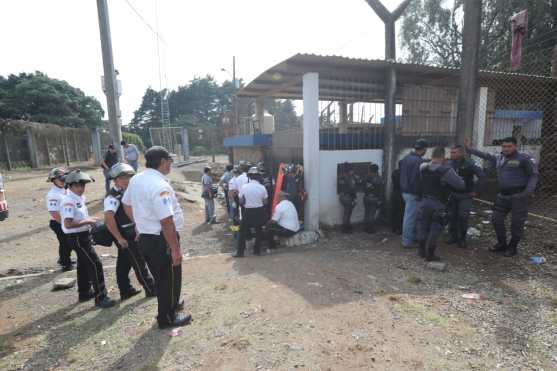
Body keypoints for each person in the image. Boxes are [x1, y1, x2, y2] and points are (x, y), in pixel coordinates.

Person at [122, 146, 192, 328]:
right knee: (166, 278)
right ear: (163, 162)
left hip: (147, 236)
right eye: (169, 161)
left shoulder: (137, 178)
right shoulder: (159, 185)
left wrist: (139, 223)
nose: (170, 165)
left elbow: (126, 204)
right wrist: (175, 249)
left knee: (169, 275)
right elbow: (166, 221)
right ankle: (166, 318)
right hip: (161, 239)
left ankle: (173, 303)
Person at [465, 137, 538, 257]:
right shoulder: (500, 158)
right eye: (504, 146)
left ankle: (512, 247)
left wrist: (527, 192)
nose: (506, 149)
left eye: (509, 146)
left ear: (515, 146)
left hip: (518, 196)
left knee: (516, 223)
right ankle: (501, 243)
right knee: (496, 219)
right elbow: (486, 156)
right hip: (502, 196)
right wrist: (469, 150)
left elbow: (533, 175)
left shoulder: (524, 159)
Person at [61, 170, 116, 308]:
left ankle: (84, 292)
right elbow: (68, 223)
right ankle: (101, 297)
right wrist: (87, 221)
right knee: (95, 264)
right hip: (77, 237)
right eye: (77, 186)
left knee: (83, 264)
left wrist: (88, 221)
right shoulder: (68, 201)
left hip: (83, 235)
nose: (81, 188)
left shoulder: (79, 198)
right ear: (70, 186)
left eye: (83, 185)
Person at [104, 163, 155, 300]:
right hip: (125, 235)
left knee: (124, 262)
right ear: (115, 180)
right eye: (122, 177)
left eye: (129, 176)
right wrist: (119, 238)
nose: (126, 180)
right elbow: (109, 218)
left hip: (131, 232)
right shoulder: (112, 197)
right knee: (138, 260)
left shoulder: (129, 191)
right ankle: (150, 287)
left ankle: (125, 290)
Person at [416, 147, 465, 261]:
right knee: (435, 227)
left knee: (423, 226)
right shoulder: (446, 170)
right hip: (438, 203)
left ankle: (421, 251)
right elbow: (460, 185)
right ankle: (430, 254)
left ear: (432, 155)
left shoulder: (423, 167)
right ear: (443, 157)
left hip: (424, 201)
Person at [447, 145, 486, 249]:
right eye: (451, 152)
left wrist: (476, 192)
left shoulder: (470, 164)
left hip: (465, 195)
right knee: (452, 216)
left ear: (461, 153)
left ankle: (462, 238)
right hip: (452, 194)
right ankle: (453, 236)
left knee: (463, 216)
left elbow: (482, 176)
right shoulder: (450, 163)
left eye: (454, 152)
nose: (451, 155)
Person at [233, 167, 268, 257]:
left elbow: (241, 201)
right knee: (258, 231)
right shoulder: (262, 187)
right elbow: (265, 202)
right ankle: (257, 251)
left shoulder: (244, 187)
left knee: (242, 231)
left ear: (249, 177)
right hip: (259, 211)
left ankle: (240, 253)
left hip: (248, 211)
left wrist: (247, 201)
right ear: (258, 177)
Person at [400, 138, 428, 248]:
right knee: (410, 218)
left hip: (405, 191)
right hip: (413, 192)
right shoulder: (418, 161)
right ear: (424, 149)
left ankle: (411, 238)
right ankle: (407, 241)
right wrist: (419, 193)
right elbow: (416, 179)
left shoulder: (406, 158)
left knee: (412, 216)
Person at [46, 168, 74, 271]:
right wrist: (64, 224)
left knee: (70, 241)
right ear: (53, 180)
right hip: (58, 222)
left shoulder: (66, 189)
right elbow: (54, 213)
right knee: (65, 242)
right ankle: (65, 263)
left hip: (66, 221)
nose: (63, 181)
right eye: (60, 179)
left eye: (64, 179)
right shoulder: (53, 194)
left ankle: (63, 258)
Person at [338, 162, 358, 233]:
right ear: (350, 170)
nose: (354, 171)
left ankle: (347, 225)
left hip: (342, 196)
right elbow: (352, 188)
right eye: (352, 170)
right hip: (348, 197)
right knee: (348, 212)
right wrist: (354, 198)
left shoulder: (342, 176)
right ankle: (345, 228)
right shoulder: (350, 178)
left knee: (347, 212)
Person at [363, 163, 383, 233]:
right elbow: (380, 190)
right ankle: (370, 229)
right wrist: (380, 200)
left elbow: (363, 186)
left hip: (366, 197)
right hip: (374, 198)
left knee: (366, 213)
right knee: (372, 214)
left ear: (370, 170)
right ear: (377, 170)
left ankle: (365, 227)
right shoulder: (379, 178)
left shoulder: (366, 177)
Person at [391, 167, 404, 234]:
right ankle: (399, 229)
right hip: (401, 194)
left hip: (394, 192)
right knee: (401, 212)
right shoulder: (404, 172)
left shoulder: (394, 172)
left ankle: (393, 228)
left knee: (394, 211)